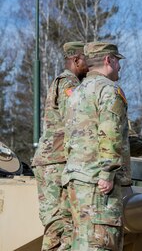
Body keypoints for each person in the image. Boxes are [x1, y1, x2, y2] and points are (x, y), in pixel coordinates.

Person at [62, 42, 129, 251]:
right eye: (117, 62)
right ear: (109, 60)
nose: (119, 67)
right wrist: (107, 173)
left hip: (76, 179)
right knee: (101, 242)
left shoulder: (76, 92)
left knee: (82, 241)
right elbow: (110, 131)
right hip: (97, 182)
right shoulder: (109, 89)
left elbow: (71, 137)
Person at [32, 41, 88, 250]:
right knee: (58, 222)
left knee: (65, 223)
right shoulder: (67, 83)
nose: (90, 65)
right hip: (53, 161)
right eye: (86, 60)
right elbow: (75, 116)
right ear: (76, 60)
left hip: (59, 159)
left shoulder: (72, 83)